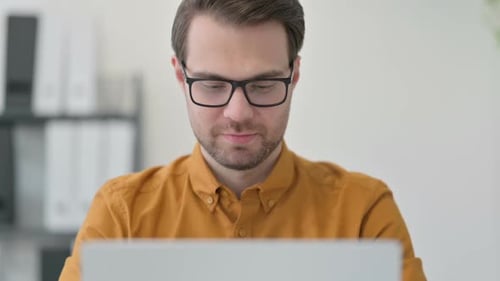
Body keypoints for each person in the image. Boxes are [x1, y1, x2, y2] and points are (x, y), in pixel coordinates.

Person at [59, 0, 426, 280]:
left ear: (294, 75)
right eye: (213, 85)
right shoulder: (121, 215)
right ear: (180, 76)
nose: (237, 112)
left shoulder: (363, 213)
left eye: (263, 85)